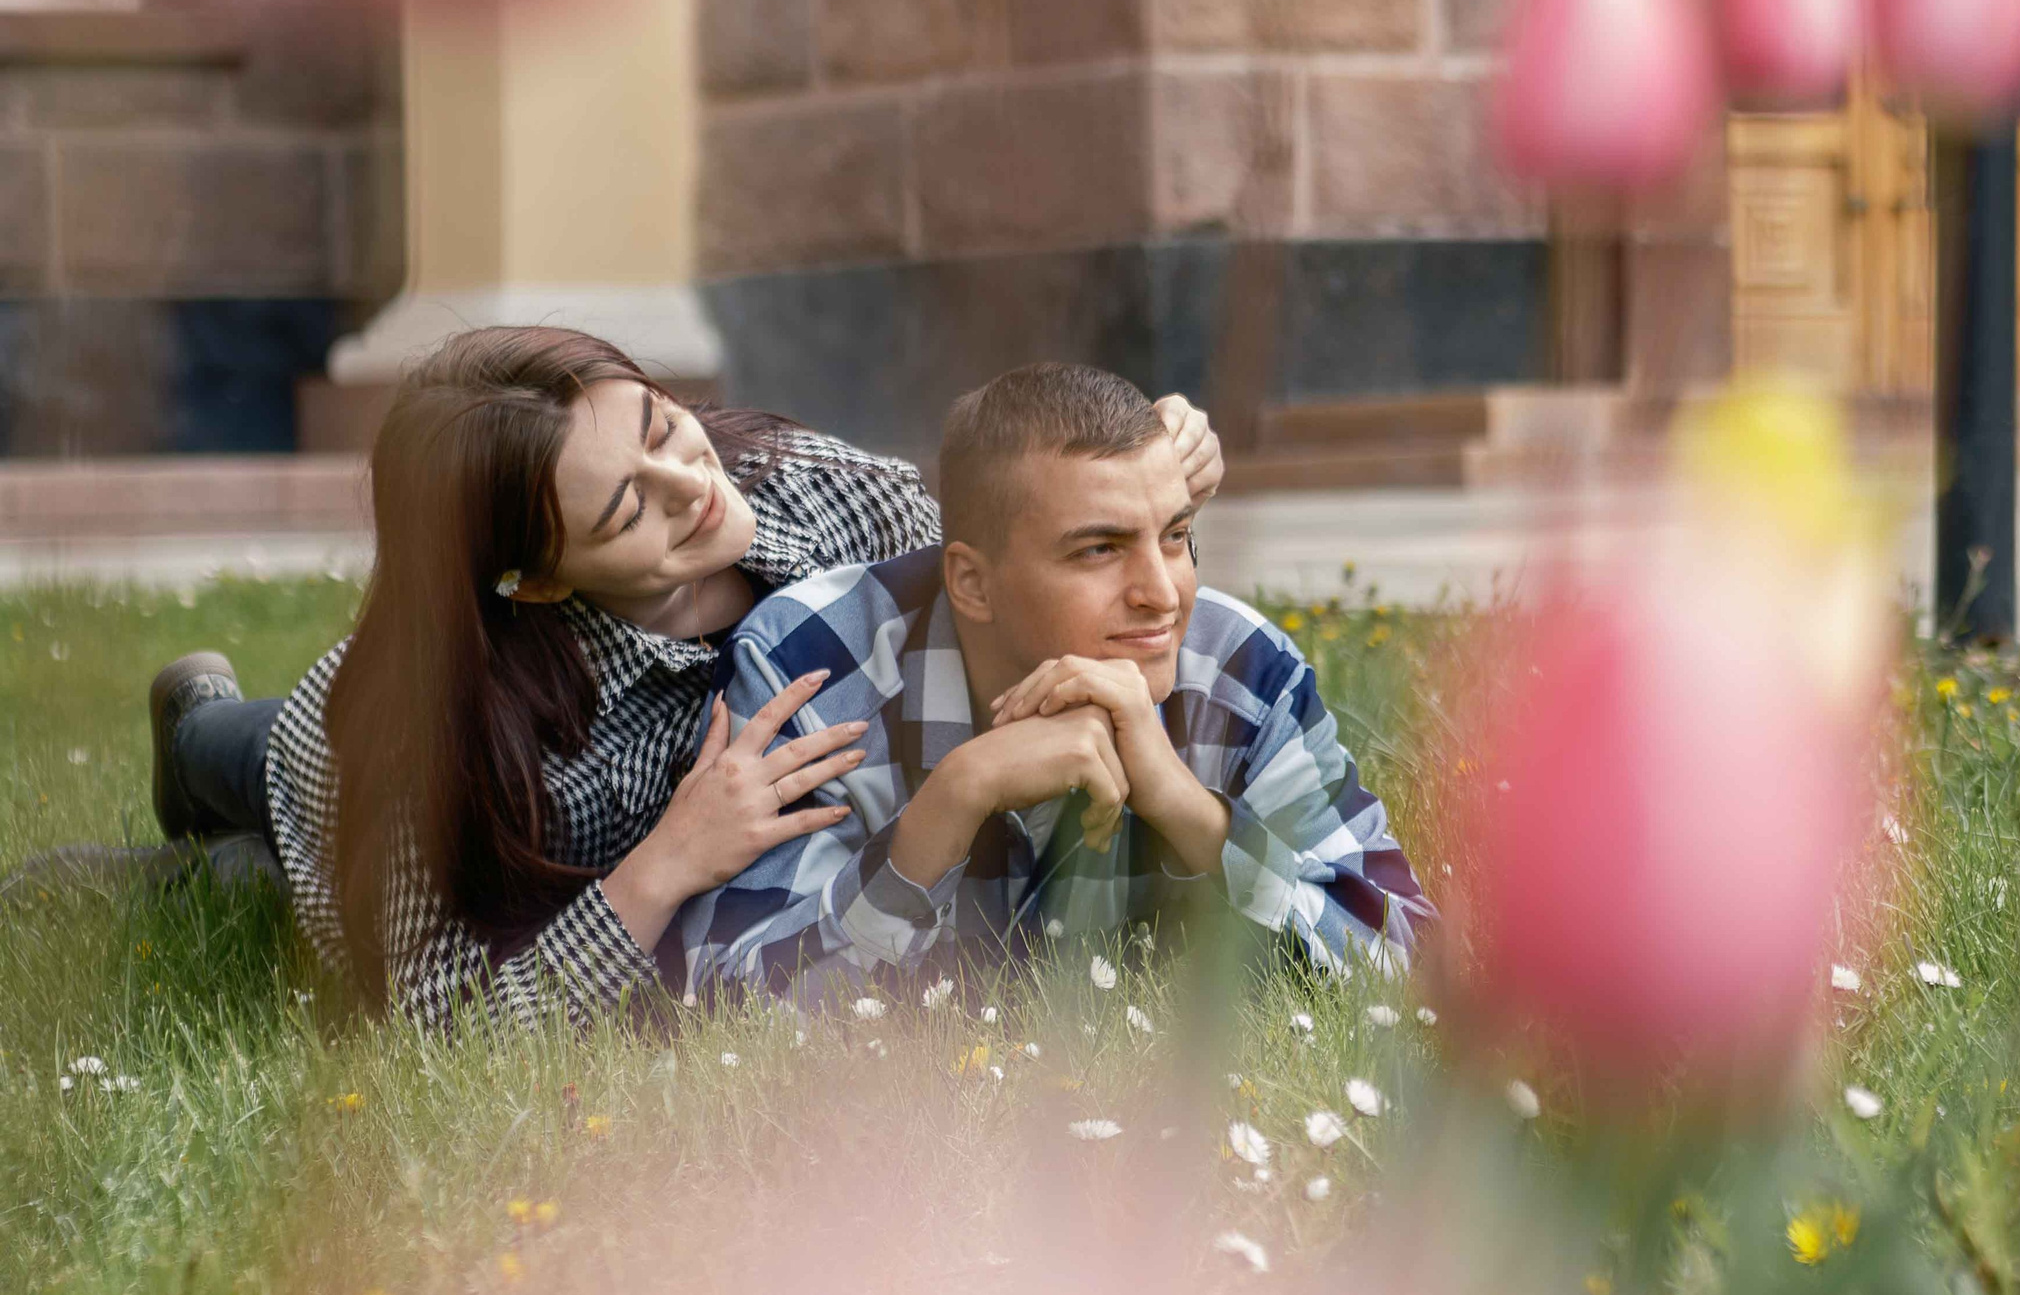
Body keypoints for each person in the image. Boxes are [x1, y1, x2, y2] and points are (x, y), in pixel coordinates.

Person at [142, 328, 1226, 1028]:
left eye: (664, 427)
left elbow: (1023, 553)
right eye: (628, 509)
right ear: (531, 580)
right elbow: (438, 1021)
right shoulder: (429, 734)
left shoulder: (829, 496)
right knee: (251, 795)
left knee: (245, 855)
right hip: (346, 766)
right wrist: (665, 860)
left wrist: (1151, 483)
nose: (692, 485)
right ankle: (191, 736)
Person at [669, 362, 1431, 998]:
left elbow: (1409, 969)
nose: (1162, 594)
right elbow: (727, 1004)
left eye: (1174, 537)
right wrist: (951, 803)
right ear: (971, 582)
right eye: (1099, 550)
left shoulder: (1235, 666)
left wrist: (1184, 807)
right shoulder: (814, 666)